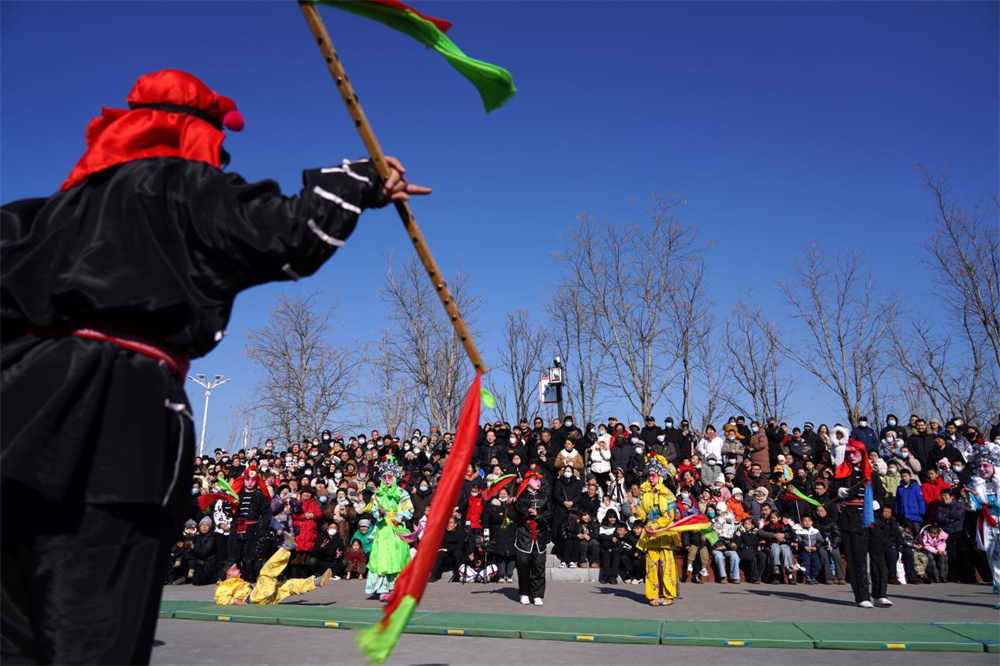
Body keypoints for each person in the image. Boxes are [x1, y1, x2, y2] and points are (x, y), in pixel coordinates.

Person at [0, 68, 427, 663]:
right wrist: (362, 181)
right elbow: (283, 229)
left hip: (15, 422)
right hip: (116, 420)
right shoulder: (176, 189)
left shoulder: (41, 216)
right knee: (93, 633)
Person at [833, 440, 890, 609]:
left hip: (871, 518)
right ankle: (862, 596)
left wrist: (878, 503)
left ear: (862, 453)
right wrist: (838, 491)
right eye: (849, 453)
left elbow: (881, 493)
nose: (852, 455)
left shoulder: (871, 473)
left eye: (855, 452)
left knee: (878, 557)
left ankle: (880, 594)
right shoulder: (842, 472)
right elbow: (832, 492)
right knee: (857, 559)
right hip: (851, 519)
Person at [215, 533, 332, 605]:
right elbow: (220, 598)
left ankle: (316, 582)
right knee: (266, 572)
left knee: (289, 585)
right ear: (228, 573)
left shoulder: (238, 581)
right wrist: (234, 601)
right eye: (234, 568)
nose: (238, 569)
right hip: (256, 596)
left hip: (262, 596)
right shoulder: (224, 586)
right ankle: (286, 548)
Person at [633, 454, 681, 606]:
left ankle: (668, 594)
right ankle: (652, 595)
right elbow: (643, 514)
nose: (651, 478)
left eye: (653, 475)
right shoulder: (644, 494)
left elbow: (669, 515)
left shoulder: (668, 494)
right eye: (649, 475)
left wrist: (655, 525)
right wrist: (637, 512)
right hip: (650, 535)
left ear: (659, 476)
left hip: (665, 533)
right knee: (651, 566)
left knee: (666, 565)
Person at [364, 456, 414, 601]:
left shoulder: (402, 493)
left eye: (389, 477)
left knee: (398, 558)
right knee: (382, 558)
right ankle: (382, 589)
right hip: (382, 530)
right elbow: (374, 509)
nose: (386, 480)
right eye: (384, 477)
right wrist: (378, 512)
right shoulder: (378, 495)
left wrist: (397, 515)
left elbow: (409, 510)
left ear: (395, 478)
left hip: (396, 530)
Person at [960, 443, 1000, 608]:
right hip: (987, 523)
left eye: (986, 465)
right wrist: (967, 499)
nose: (982, 469)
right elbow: (972, 506)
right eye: (980, 466)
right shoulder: (974, 486)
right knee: (995, 559)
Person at [514, 471, 552, 606]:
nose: (538, 482)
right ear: (528, 480)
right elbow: (520, 512)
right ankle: (524, 593)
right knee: (523, 566)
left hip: (540, 537)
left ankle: (537, 594)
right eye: (535, 479)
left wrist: (538, 515)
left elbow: (549, 513)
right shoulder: (521, 497)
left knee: (539, 567)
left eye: (539, 480)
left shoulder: (544, 496)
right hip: (525, 536)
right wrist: (526, 512)